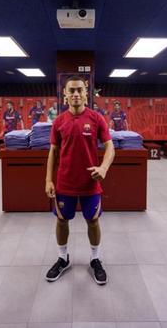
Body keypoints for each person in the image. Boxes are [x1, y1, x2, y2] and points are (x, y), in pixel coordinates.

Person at [45, 75, 115, 285]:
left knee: (93, 220)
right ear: (65, 95)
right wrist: (49, 179)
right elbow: (53, 152)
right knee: (61, 220)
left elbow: (110, 146)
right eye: (71, 91)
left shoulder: (96, 118)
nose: (75, 94)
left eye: (79, 90)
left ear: (86, 94)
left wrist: (103, 167)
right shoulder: (58, 121)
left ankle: (95, 259)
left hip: (90, 183)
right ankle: (62, 257)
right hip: (64, 182)